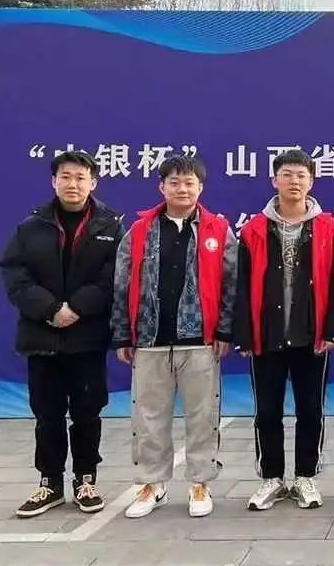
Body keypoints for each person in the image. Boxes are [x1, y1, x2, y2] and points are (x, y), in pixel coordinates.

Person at [110, 155, 237, 519]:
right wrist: (123, 335)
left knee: (203, 416)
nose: (182, 189)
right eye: (175, 182)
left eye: (189, 183)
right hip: (150, 339)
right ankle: (152, 484)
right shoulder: (139, 231)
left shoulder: (218, 230)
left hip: (200, 340)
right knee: (148, 417)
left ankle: (199, 482)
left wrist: (224, 330)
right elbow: (121, 284)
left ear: (201, 187)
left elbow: (231, 284)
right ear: (161, 187)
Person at [0, 151, 124, 518]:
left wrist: (78, 308)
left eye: (81, 177)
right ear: (54, 181)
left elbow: (115, 276)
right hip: (42, 337)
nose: (73, 184)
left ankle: (86, 480)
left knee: (87, 412)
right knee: (47, 414)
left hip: (87, 337)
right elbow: (15, 275)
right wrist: (51, 309)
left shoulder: (110, 226)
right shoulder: (30, 227)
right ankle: (50, 482)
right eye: (66, 177)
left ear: (93, 182)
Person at [234, 149, 334, 511]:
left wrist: (332, 330)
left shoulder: (330, 229)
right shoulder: (253, 230)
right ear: (274, 180)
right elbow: (239, 284)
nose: (294, 181)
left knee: (310, 410)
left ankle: (304, 477)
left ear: (311, 181)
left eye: (301, 175)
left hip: (311, 336)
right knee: (267, 412)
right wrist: (243, 333)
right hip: (267, 335)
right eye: (287, 174)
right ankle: (271, 478)